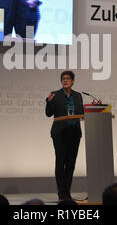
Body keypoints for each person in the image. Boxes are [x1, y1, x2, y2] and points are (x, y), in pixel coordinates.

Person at [45, 71, 84, 201]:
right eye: (63, 79)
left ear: (73, 81)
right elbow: (48, 113)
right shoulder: (55, 95)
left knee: (71, 164)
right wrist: (49, 102)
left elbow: (82, 113)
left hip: (74, 134)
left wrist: (95, 107)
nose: (65, 80)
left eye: (68, 78)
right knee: (60, 163)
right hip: (60, 134)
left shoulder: (78, 96)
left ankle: (67, 193)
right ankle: (62, 194)